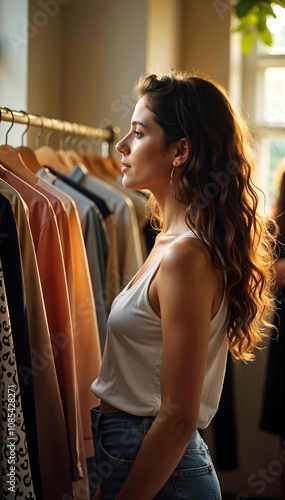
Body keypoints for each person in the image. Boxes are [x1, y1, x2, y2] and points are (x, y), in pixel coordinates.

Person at [90, 71, 276, 500]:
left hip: (163, 472)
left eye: (138, 133)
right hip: (137, 459)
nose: (121, 146)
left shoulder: (185, 258)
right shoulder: (168, 242)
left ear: (181, 150)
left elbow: (177, 416)